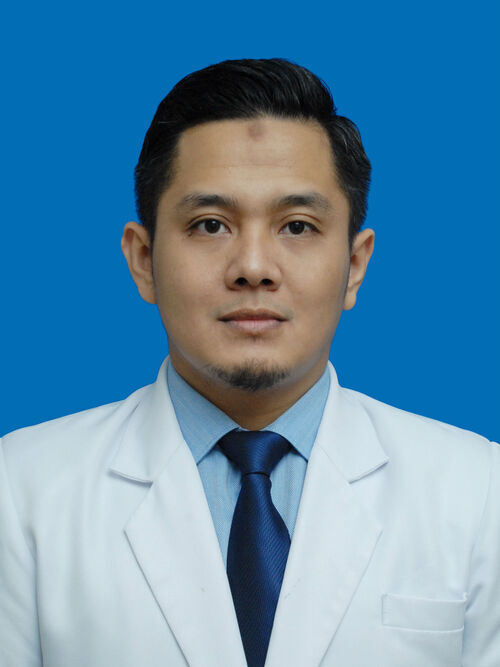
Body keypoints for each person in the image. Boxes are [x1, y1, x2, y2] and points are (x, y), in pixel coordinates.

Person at [0, 58, 498, 667]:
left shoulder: (479, 492)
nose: (254, 267)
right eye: (211, 225)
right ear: (143, 259)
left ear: (355, 265)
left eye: (298, 226)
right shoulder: (20, 491)